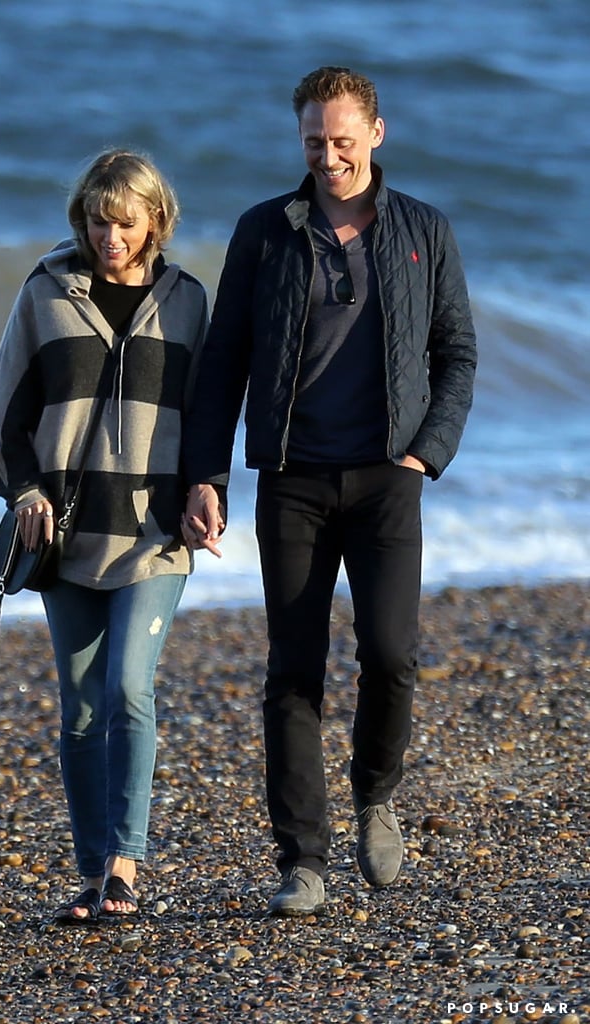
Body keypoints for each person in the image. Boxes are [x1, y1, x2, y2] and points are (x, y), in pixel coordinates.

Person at [182, 67, 477, 916]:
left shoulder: (423, 230)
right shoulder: (265, 232)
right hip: (293, 478)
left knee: (391, 656)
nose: (329, 156)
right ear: (299, 139)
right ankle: (300, 860)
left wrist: (428, 451)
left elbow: (455, 353)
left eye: (343, 141)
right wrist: (207, 474)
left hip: (389, 478)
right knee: (293, 671)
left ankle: (375, 794)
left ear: (375, 135)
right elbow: (222, 364)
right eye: (314, 142)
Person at [0, 150, 208, 922]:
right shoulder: (44, 293)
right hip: (66, 539)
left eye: (125, 223)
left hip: (153, 536)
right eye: (97, 221)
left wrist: (208, 489)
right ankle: (90, 875)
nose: (109, 237)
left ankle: (124, 867)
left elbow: (206, 422)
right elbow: (2, 418)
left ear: (155, 223)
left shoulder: (186, 302)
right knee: (78, 708)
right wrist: (24, 493)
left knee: (126, 690)